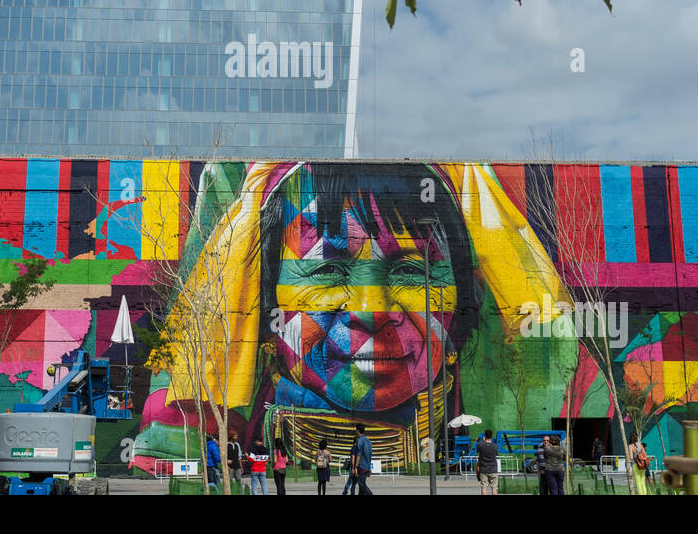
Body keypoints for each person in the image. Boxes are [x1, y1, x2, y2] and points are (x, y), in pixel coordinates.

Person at [134, 162, 586, 474]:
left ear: (468, 301)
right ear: (264, 301)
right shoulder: (185, 441)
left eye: (412, 270)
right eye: (328, 270)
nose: (372, 309)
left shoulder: (561, 398)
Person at [475, 429, 500, 495]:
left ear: (484, 436)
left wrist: (480, 441)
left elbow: (478, 450)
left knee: (484, 487)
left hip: (483, 470)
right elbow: (496, 454)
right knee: (494, 487)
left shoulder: (480, 444)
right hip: (493, 469)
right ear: (491, 436)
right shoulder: (495, 446)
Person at [354, 424, 373, 496]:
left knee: (362, 485)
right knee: (361, 486)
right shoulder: (368, 440)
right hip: (367, 465)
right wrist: (369, 466)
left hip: (361, 465)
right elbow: (370, 454)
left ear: (357, 430)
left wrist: (355, 467)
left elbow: (359, 454)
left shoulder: (360, 440)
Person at [628, 432, 649, 496]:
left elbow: (631, 458)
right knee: (643, 482)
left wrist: (628, 456)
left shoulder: (630, 446)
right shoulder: (640, 444)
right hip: (643, 465)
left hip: (636, 465)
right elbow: (644, 454)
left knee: (638, 483)